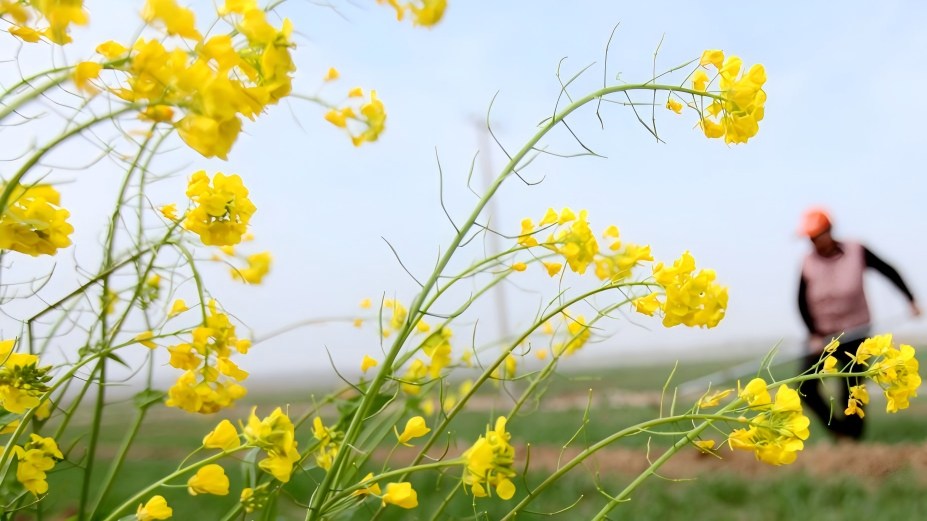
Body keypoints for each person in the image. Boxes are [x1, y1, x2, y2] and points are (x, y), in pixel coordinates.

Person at [797, 207, 920, 440]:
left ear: (829, 231)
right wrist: (813, 334)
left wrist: (910, 299)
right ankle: (839, 433)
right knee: (805, 387)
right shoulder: (807, 262)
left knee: (853, 391)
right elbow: (801, 301)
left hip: (856, 335)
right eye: (810, 238)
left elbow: (888, 270)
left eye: (816, 235)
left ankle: (854, 441)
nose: (813, 242)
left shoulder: (856, 250)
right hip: (824, 337)